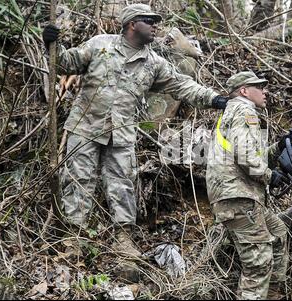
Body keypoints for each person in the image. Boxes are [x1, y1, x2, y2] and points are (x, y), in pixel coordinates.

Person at [41, 4, 228, 261]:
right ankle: (74, 241)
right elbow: (65, 63)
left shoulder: (153, 63)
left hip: (121, 134)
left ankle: (124, 240)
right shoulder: (100, 45)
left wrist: (215, 99)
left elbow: (182, 86)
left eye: (155, 21)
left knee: (122, 185)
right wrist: (51, 44)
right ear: (132, 24)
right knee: (78, 180)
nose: (155, 26)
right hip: (85, 127)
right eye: (149, 21)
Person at [206, 71, 289, 299]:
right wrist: (270, 176)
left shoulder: (233, 112)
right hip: (238, 197)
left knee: (278, 233)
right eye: (259, 87)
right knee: (258, 265)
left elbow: (249, 155)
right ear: (244, 91)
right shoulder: (244, 110)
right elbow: (245, 156)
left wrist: (279, 147)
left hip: (239, 197)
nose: (265, 91)